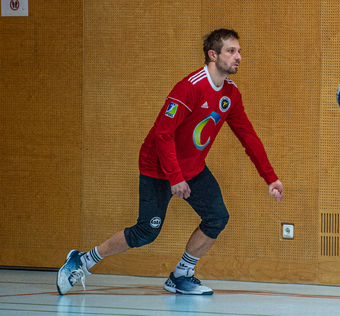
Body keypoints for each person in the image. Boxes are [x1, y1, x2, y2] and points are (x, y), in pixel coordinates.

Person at [57, 28, 284, 296]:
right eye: (231, 51)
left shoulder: (231, 94)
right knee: (146, 231)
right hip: (157, 167)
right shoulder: (189, 88)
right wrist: (175, 176)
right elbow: (163, 134)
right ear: (213, 55)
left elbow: (248, 136)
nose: (239, 57)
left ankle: (181, 275)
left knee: (217, 217)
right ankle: (81, 261)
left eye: (239, 51)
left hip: (192, 168)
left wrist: (270, 177)